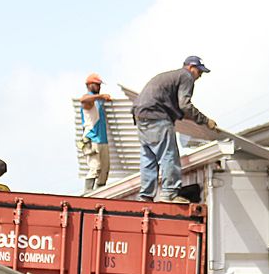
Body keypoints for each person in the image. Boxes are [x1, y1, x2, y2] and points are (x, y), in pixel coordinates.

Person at [132, 56, 218, 203]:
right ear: (191, 68)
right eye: (199, 72)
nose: (200, 76)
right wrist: (205, 120)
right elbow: (185, 105)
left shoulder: (170, 76)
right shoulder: (186, 76)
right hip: (157, 115)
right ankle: (170, 193)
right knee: (169, 155)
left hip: (140, 116)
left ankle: (145, 196)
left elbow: (180, 108)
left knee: (149, 157)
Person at [79, 73, 112, 194]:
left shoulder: (97, 101)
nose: (99, 87)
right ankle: (88, 192)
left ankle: (99, 193)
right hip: (92, 139)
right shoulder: (89, 100)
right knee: (95, 167)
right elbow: (83, 100)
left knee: (104, 169)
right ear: (89, 85)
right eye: (96, 85)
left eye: (99, 85)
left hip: (102, 140)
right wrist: (100, 96)